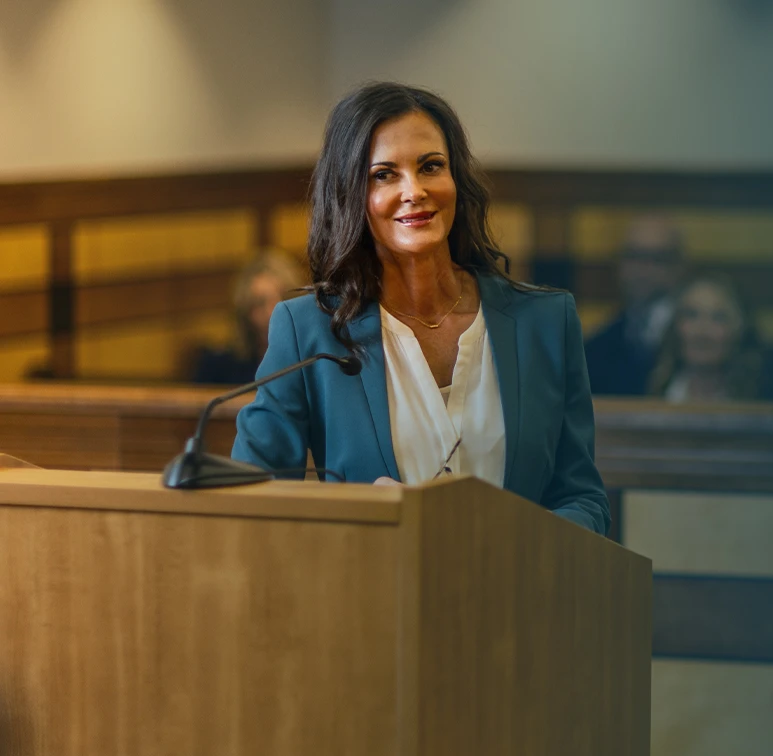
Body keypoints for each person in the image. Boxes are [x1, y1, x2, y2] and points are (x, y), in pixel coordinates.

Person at [232, 82, 609, 534]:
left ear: (456, 181)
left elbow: (581, 496)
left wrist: (528, 546)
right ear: (351, 195)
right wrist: (351, 512)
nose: (414, 190)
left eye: (431, 166)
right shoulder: (308, 330)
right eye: (384, 175)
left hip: (520, 593)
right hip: (374, 594)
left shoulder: (546, 322)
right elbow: (255, 496)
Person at [584, 215, 684, 395]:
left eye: (657, 259)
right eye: (633, 257)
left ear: (678, 266)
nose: (643, 270)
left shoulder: (703, 341)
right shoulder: (595, 349)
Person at [191, 247, 305, 384]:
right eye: (259, 303)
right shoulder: (219, 368)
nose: (271, 312)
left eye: (282, 298)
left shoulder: (315, 361)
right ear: (245, 313)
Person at [649, 273, 764, 402]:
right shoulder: (648, 392)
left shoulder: (763, 401)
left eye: (718, 318)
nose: (702, 331)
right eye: (691, 315)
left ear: (740, 328)